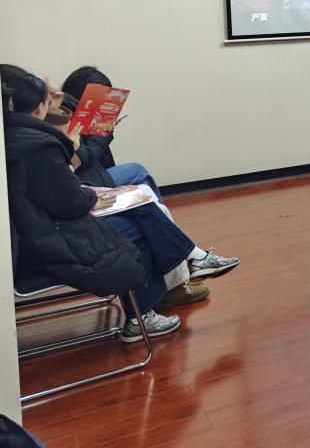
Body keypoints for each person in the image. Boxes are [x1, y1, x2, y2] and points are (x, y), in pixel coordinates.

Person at [3, 72, 197, 340]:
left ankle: (184, 265)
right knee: (137, 223)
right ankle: (143, 314)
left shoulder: (13, 135)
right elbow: (70, 200)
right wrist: (90, 194)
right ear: (39, 107)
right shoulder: (38, 145)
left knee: (140, 198)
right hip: (44, 242)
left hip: (34, 232)